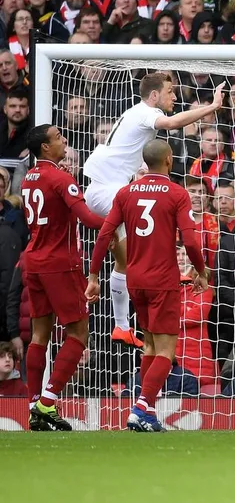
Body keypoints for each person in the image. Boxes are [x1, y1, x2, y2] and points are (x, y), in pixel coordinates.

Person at [81, 72, 222, 349]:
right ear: (154, 95)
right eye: (170, 92)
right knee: (154, 217)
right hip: (108, 191)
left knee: (124, 258)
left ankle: (122, 327)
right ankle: (166, 272)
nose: (175, 97)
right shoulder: (147, 112)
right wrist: (213, 107)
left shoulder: (134, 114)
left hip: (103, 190)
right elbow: (172, 123)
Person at [85, 140, 208, 432]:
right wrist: (201, 271)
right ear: (169, 160)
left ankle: (148, 412)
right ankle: (140, 408)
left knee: (150, 346)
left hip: (135, 280)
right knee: (166, 351)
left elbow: (104, 235)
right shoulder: (177, 193)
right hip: (163, 280)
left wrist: (93, 276)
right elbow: (191, 241)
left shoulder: (126, 192)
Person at [20, 124, 105, 431]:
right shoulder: (60, 178)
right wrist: (121, 218)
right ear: (45, 147)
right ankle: (48, 401)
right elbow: (88, 219)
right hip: (60, 263)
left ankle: (34, 405)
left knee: (39, 336)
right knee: (79, 334)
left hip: (34, 260)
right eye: (57, 137)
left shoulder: (29, 178)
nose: (64, 139)